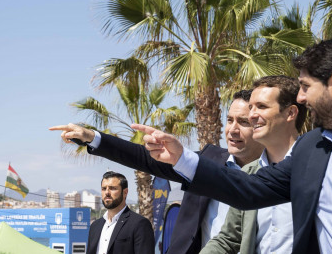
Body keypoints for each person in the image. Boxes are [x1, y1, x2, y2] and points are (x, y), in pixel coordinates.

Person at [138, 39, 332, 253]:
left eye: (305, 87)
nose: (301, 98)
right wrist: (182, 158)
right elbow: (249, 189)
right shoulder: (311, 148)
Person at [50, 90, 264, 253]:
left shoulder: (278, 176)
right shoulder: (207, 161)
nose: (232, 129)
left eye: (243, 122)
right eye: (229, 120)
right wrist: (93, 137)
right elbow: (145, 158)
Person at [201, 76, 306, 254]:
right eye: (251, 108)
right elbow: (229, 239)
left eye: (261, 107)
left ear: (290, 113)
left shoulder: (318, 167)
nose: (252, 115)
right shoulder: (249, 173)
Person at [87, 171, 154, 254]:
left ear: (125, 192)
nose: (107, 192)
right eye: (104, 188)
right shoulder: (95, 226)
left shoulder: (139, 224)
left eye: (112, 188)